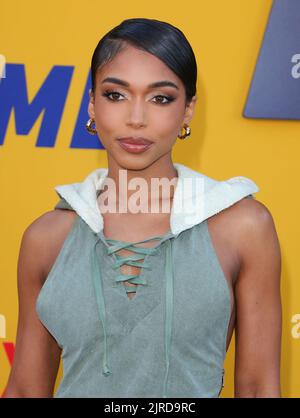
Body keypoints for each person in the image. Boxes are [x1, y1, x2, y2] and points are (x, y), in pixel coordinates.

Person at [3, 18, 281, 398]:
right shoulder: (47, 238)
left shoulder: (242, 226)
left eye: (160, 98)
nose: (136, 118)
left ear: (187, 111)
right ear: (91, 103)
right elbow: (25, 390)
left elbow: (258, 387)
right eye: (116, 95)